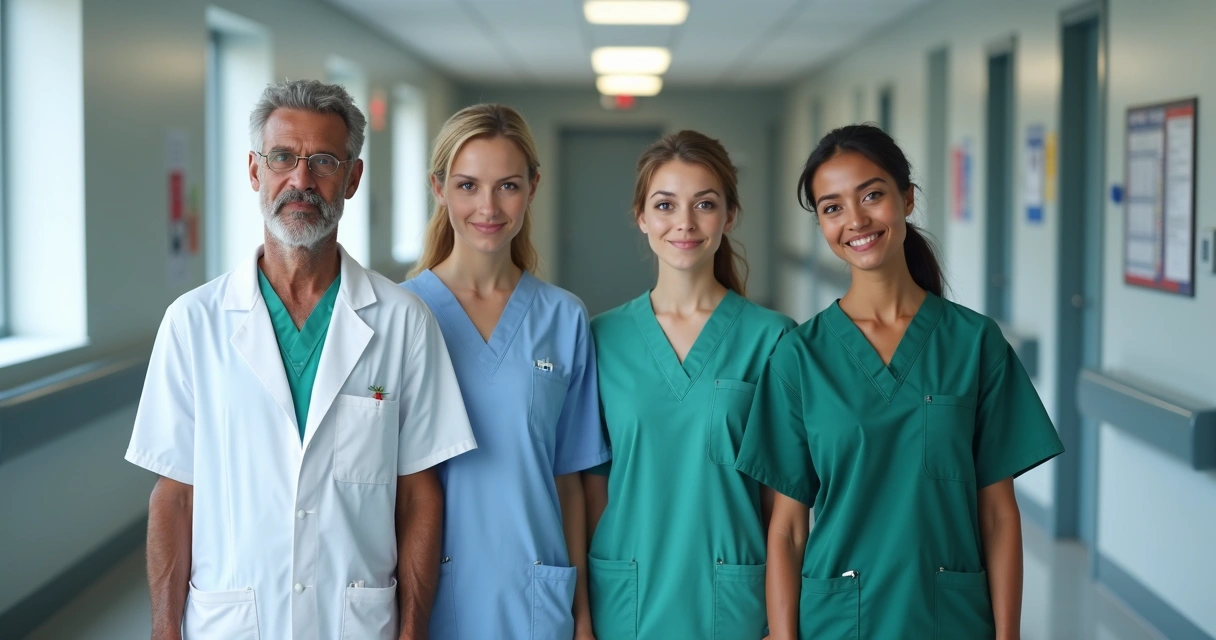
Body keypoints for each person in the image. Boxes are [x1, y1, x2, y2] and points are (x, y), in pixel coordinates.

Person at [125, 79, 476, 640]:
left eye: (324, 162)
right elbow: (175, 495)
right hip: (233, 621)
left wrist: (412, 631)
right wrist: (164, 629)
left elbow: (419, 493)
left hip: (354, 621)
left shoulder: (403, 322)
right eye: (283, 157)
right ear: (254, 170)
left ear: (353, 178)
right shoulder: (193, 323)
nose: (301, 180)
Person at [734, 123, 1065, 640]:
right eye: (832, 207)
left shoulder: (974, 344)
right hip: (839, 622)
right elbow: (789, 530)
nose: (856, 220)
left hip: (949, 619)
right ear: (821, 223)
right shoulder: (800, 357)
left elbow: (998, 515)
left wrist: (1008, 635)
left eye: (872, 195)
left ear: (907, 199)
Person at [402, 103, 608, 640]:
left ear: (533, 187)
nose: (488, 207)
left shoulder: (564, 317)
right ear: (439, 188)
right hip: (430, 601)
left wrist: (582, 616)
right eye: (468, 186)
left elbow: (570, 482)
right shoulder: (401, 315)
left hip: (536, 596)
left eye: (508, 186)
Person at [584, 130, 796, 639]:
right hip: (627, 601)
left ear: (730, 215)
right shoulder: (600, 338)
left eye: (704, 204)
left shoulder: (772, 339)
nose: (685, 222)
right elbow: (591, 490)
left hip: (733, 604)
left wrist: (783, 624)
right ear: (641, 217)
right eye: (665, 205)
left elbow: (784, 506)